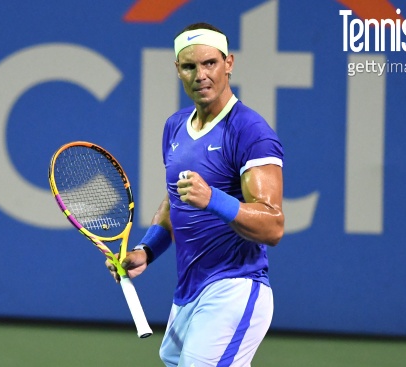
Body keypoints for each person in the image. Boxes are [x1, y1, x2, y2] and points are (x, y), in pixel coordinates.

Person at [107, 22, 285, 367]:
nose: (200, 75)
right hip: (190, 292)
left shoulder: (251, 131)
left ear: (228, 63)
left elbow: (273, 226)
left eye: (210, 63)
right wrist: (148, 249)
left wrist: (213, 199)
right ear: (178, 70)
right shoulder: (175, 126)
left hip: (235, 287)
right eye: (189, 66)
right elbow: (176, 199)